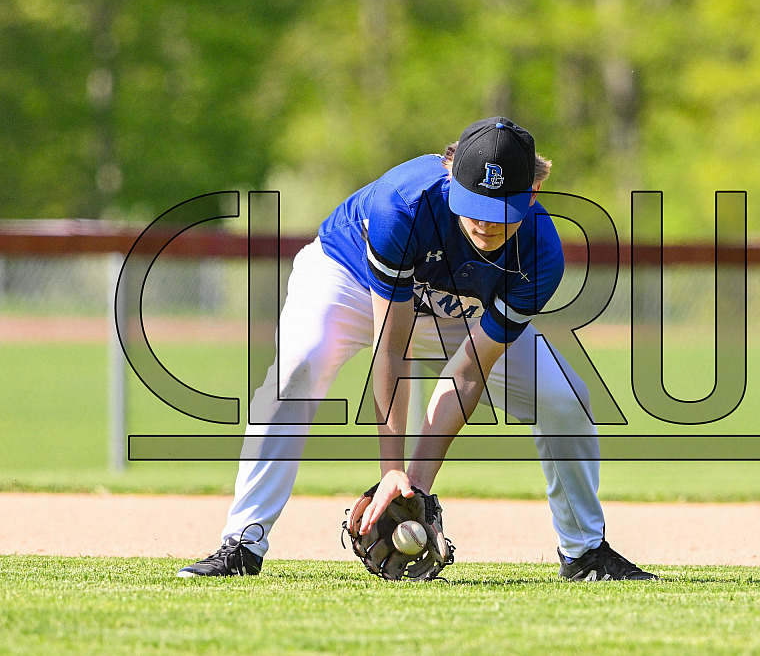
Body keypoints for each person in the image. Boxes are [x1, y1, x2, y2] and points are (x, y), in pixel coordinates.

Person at [177, 117, 656, 581]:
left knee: (564, 398)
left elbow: (467, 373)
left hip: (459, 304)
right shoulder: (401, 206)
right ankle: (243, 542)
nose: (486, 225)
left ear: (532, 196)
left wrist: (417, 489)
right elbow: (392, 350)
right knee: (298, 368)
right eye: (474, 206)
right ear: (450, 176)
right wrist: (390, 471)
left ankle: (584, 553)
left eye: (501, 211)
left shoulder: (541, 254)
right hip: (349, 278)